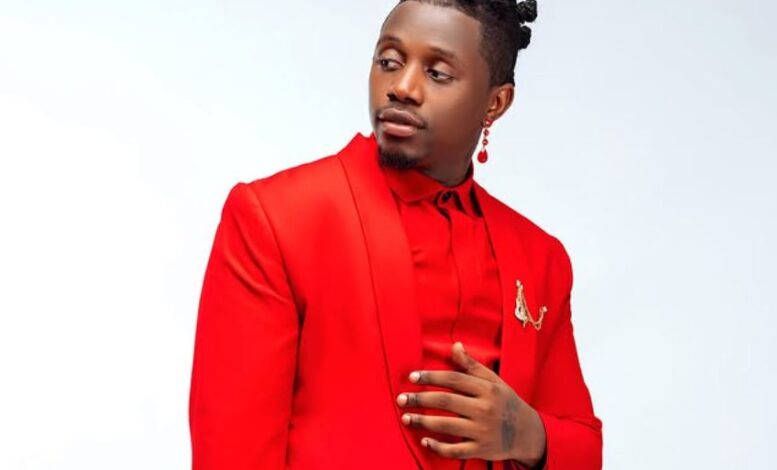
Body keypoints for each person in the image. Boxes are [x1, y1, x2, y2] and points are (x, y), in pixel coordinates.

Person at [188, 1, 602, 469]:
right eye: (388, 61)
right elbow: (230, 452)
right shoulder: (278, 217)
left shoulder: (540, 257)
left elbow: (584, 449)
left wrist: (526, 434)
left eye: (437, 73)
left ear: (496, 103)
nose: (401, 87)